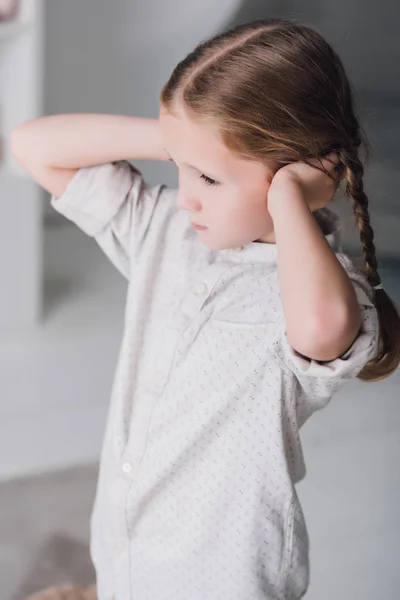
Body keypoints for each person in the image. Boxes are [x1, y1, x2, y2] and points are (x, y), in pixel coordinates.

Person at [12, 16, 400, 600]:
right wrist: (181, 139)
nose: (187, 193)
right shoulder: (167, 230)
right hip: (127, 547)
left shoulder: (318, 292)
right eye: (179, 167)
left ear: (294, 174)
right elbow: (31, 147)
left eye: (210, 178)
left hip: (219, 578)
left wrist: (290, 197)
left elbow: (322, 328)